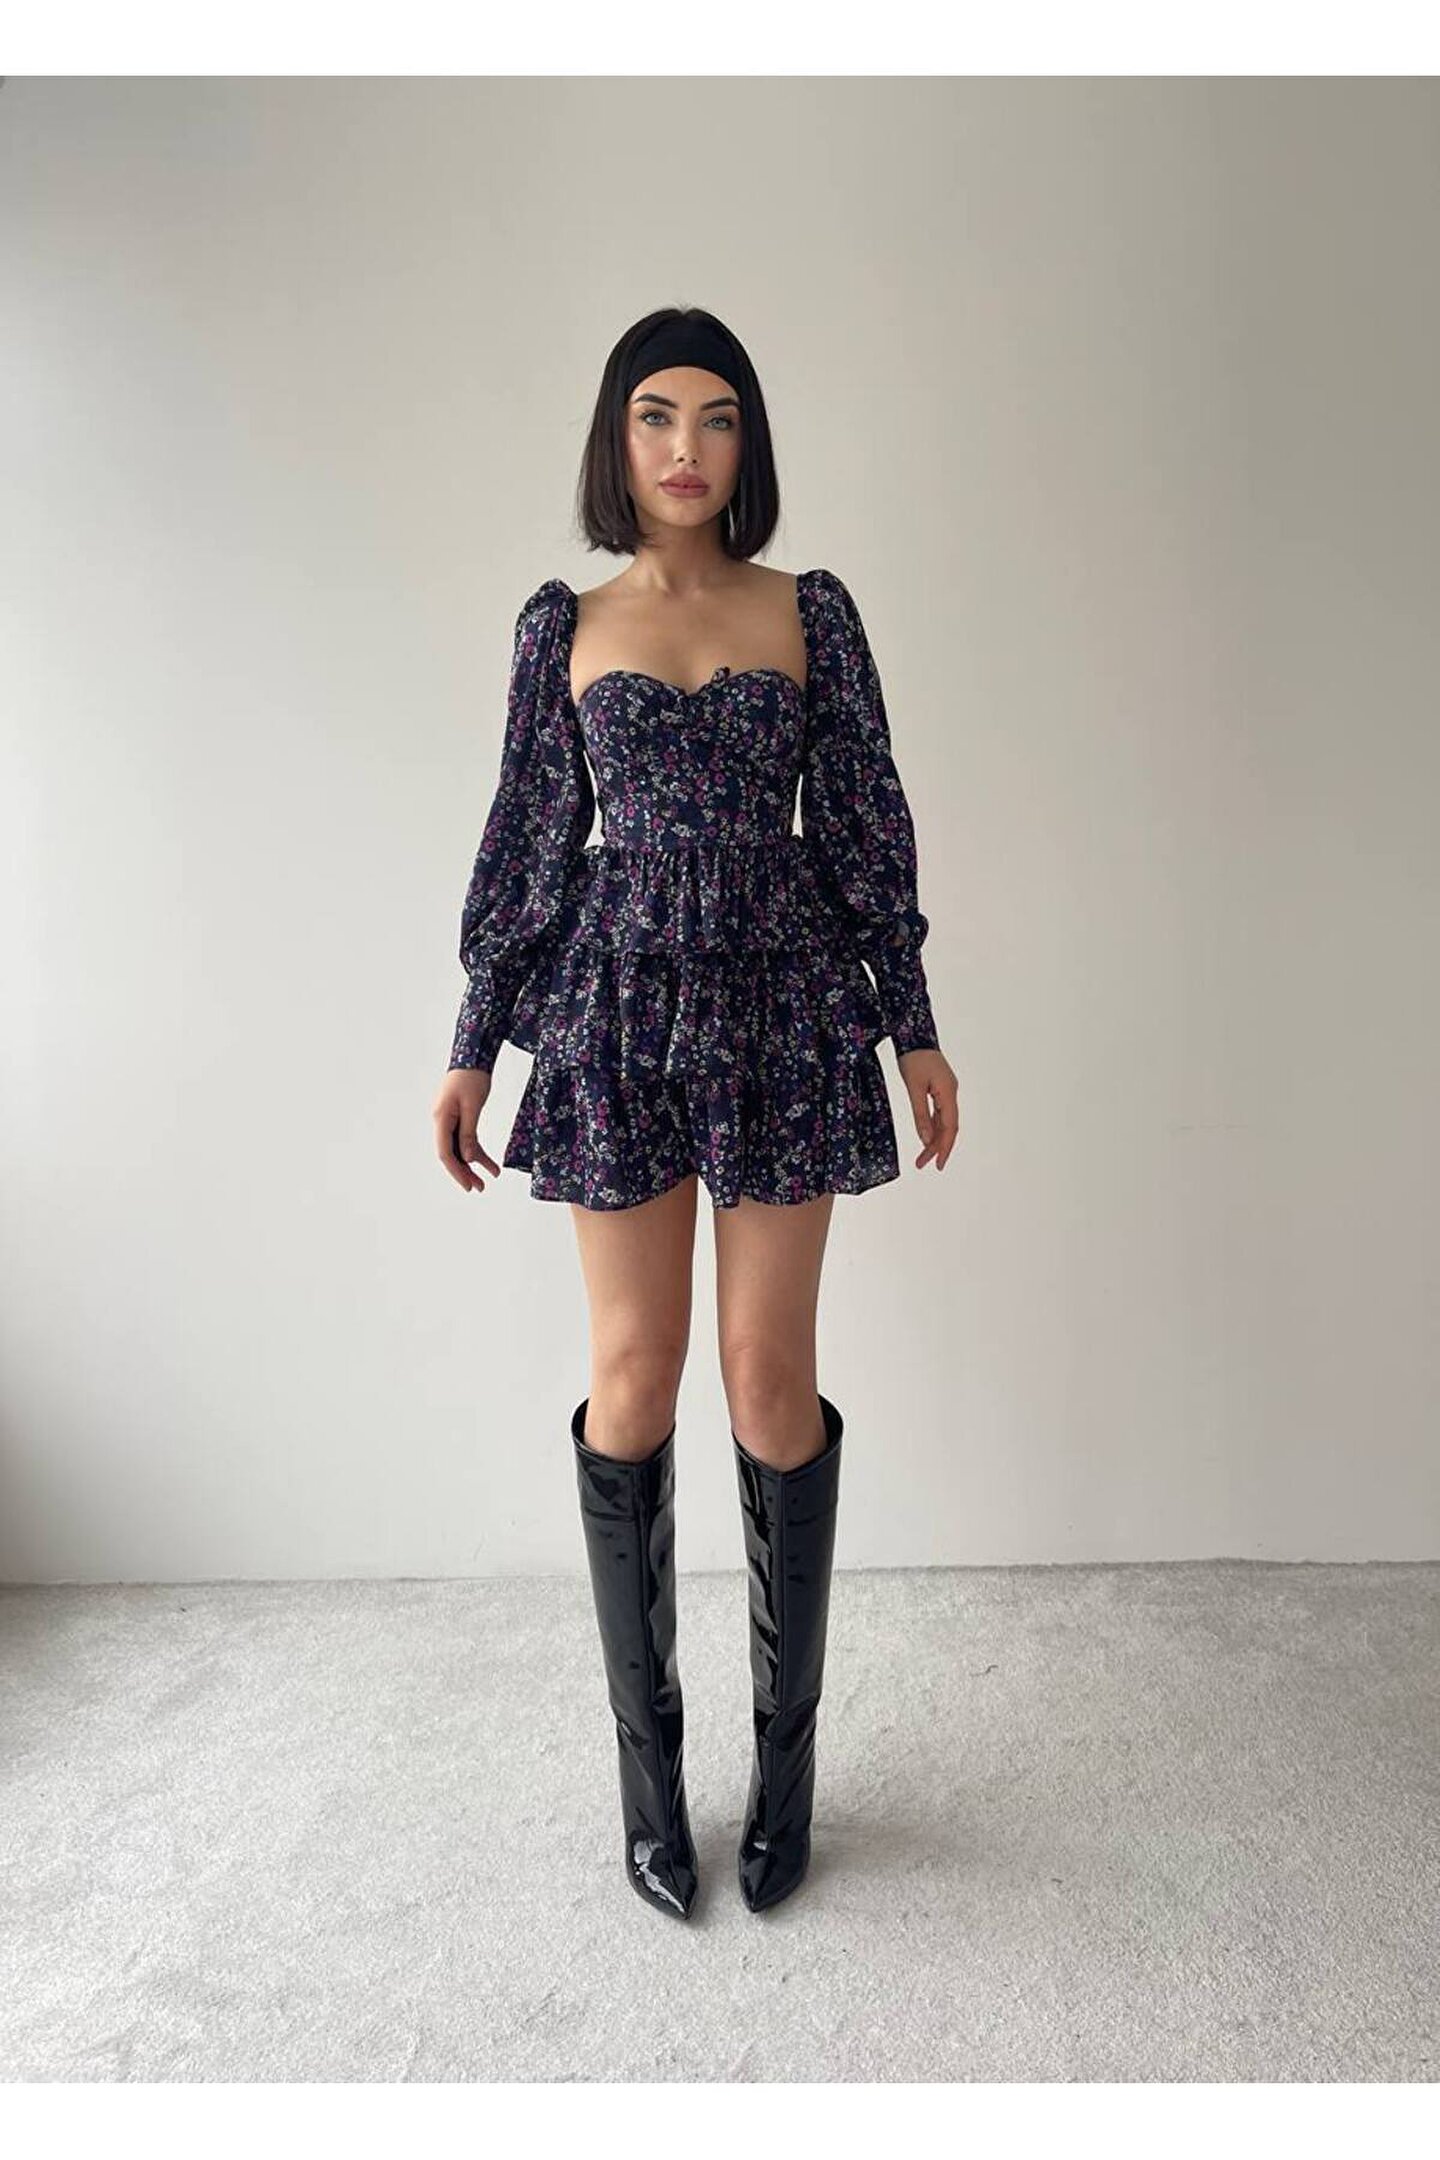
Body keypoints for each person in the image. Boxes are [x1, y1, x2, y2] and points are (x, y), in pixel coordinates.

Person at [431, 306, 961, 1921]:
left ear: (749, 442)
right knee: (634, 1374)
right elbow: (531, 838)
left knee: (767, 1378)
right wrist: (473, 1044)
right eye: (657, 416)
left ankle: (783, 1781)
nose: (686, 447)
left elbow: (863, 820)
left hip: (786, 1003)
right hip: (617, 1012)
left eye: (717, 417)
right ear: (620, 437)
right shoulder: (564, 624)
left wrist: (914, 1023)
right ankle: (651, 1782)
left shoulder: (811, 613)